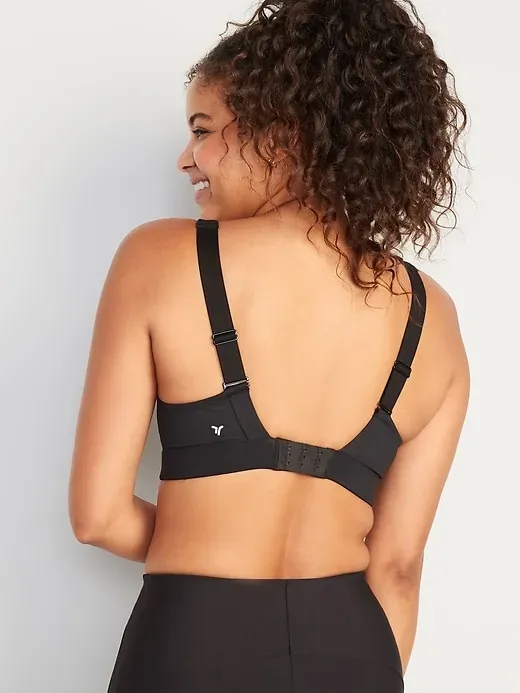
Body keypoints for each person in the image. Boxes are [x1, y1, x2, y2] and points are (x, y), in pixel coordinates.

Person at [68, 0, 470, 691]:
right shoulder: (433, 317)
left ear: (283, 133)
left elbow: (98, 516)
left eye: (203, 130)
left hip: (192, 643)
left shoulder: (158, 259)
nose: (185, 159)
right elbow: (398, 569)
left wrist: (212, 541)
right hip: (355, 654)